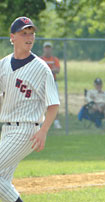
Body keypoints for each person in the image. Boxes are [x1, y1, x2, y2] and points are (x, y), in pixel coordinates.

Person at [0, 17, 60, 202]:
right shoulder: (3, 64)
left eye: (31, 33)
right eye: (23, 33)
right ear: (12, 37)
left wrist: (44, 131)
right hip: (7, 129)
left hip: (27, 130)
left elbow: (53, 104)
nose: (29, 37)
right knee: (2, 183)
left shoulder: (41, 68)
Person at [41, 41, 62, 129]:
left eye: (49, 48)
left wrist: (48, 70)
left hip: (53, 83)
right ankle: (41, 121)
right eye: (46, 47)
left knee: (54, 102)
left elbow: (57, 70)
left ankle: (56, 121)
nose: (48, 49)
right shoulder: (40, 59)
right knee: (42, 102)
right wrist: (50, 69)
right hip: (43, 83)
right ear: (44, 49)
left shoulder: (54, 59)